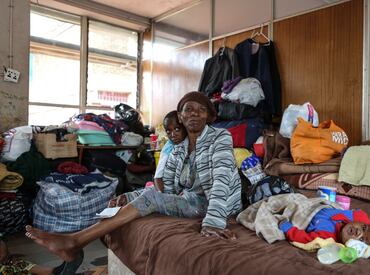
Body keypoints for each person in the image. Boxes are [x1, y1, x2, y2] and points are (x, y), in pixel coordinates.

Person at [25, 91, 242, 262]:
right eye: (189, 109)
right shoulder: (178, 147)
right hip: (190, 198)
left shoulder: (219, 137)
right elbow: (167, 187)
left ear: (209, 116)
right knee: (131, 196)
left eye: (201, 110)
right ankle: (81, 239)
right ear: (181, 116)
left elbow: (222, 179)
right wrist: (132, 196)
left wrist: (214, 221)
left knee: (151, 198)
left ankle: (74, 241)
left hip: (216, 204)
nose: (194, 113)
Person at [108, 110, 187, 207]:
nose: (173, 134)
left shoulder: (188, 145)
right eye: (168, 131)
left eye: (177, 129)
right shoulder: (166, 149)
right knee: (135, 200)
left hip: (171, 188)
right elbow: (157, 177)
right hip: (149, 183)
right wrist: (163, 197)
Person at [279, 208, 370, 257]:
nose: (359, 232)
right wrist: (366, 226)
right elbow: (362, 216)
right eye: (364, 228)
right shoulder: (358, 218)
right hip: (320, 204)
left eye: (361, 240)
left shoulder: (326, 239)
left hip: (305, 212)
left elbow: (301, 238)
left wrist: (285, 225)